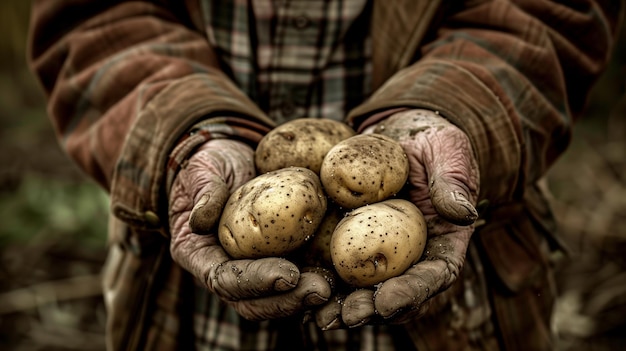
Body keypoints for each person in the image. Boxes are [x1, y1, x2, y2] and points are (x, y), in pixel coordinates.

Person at [28, 1, 623, 350]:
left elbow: (547, 13)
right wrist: (188, 133)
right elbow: (93, 19)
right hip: (179, 297)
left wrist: (452, 108)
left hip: (468, 303)